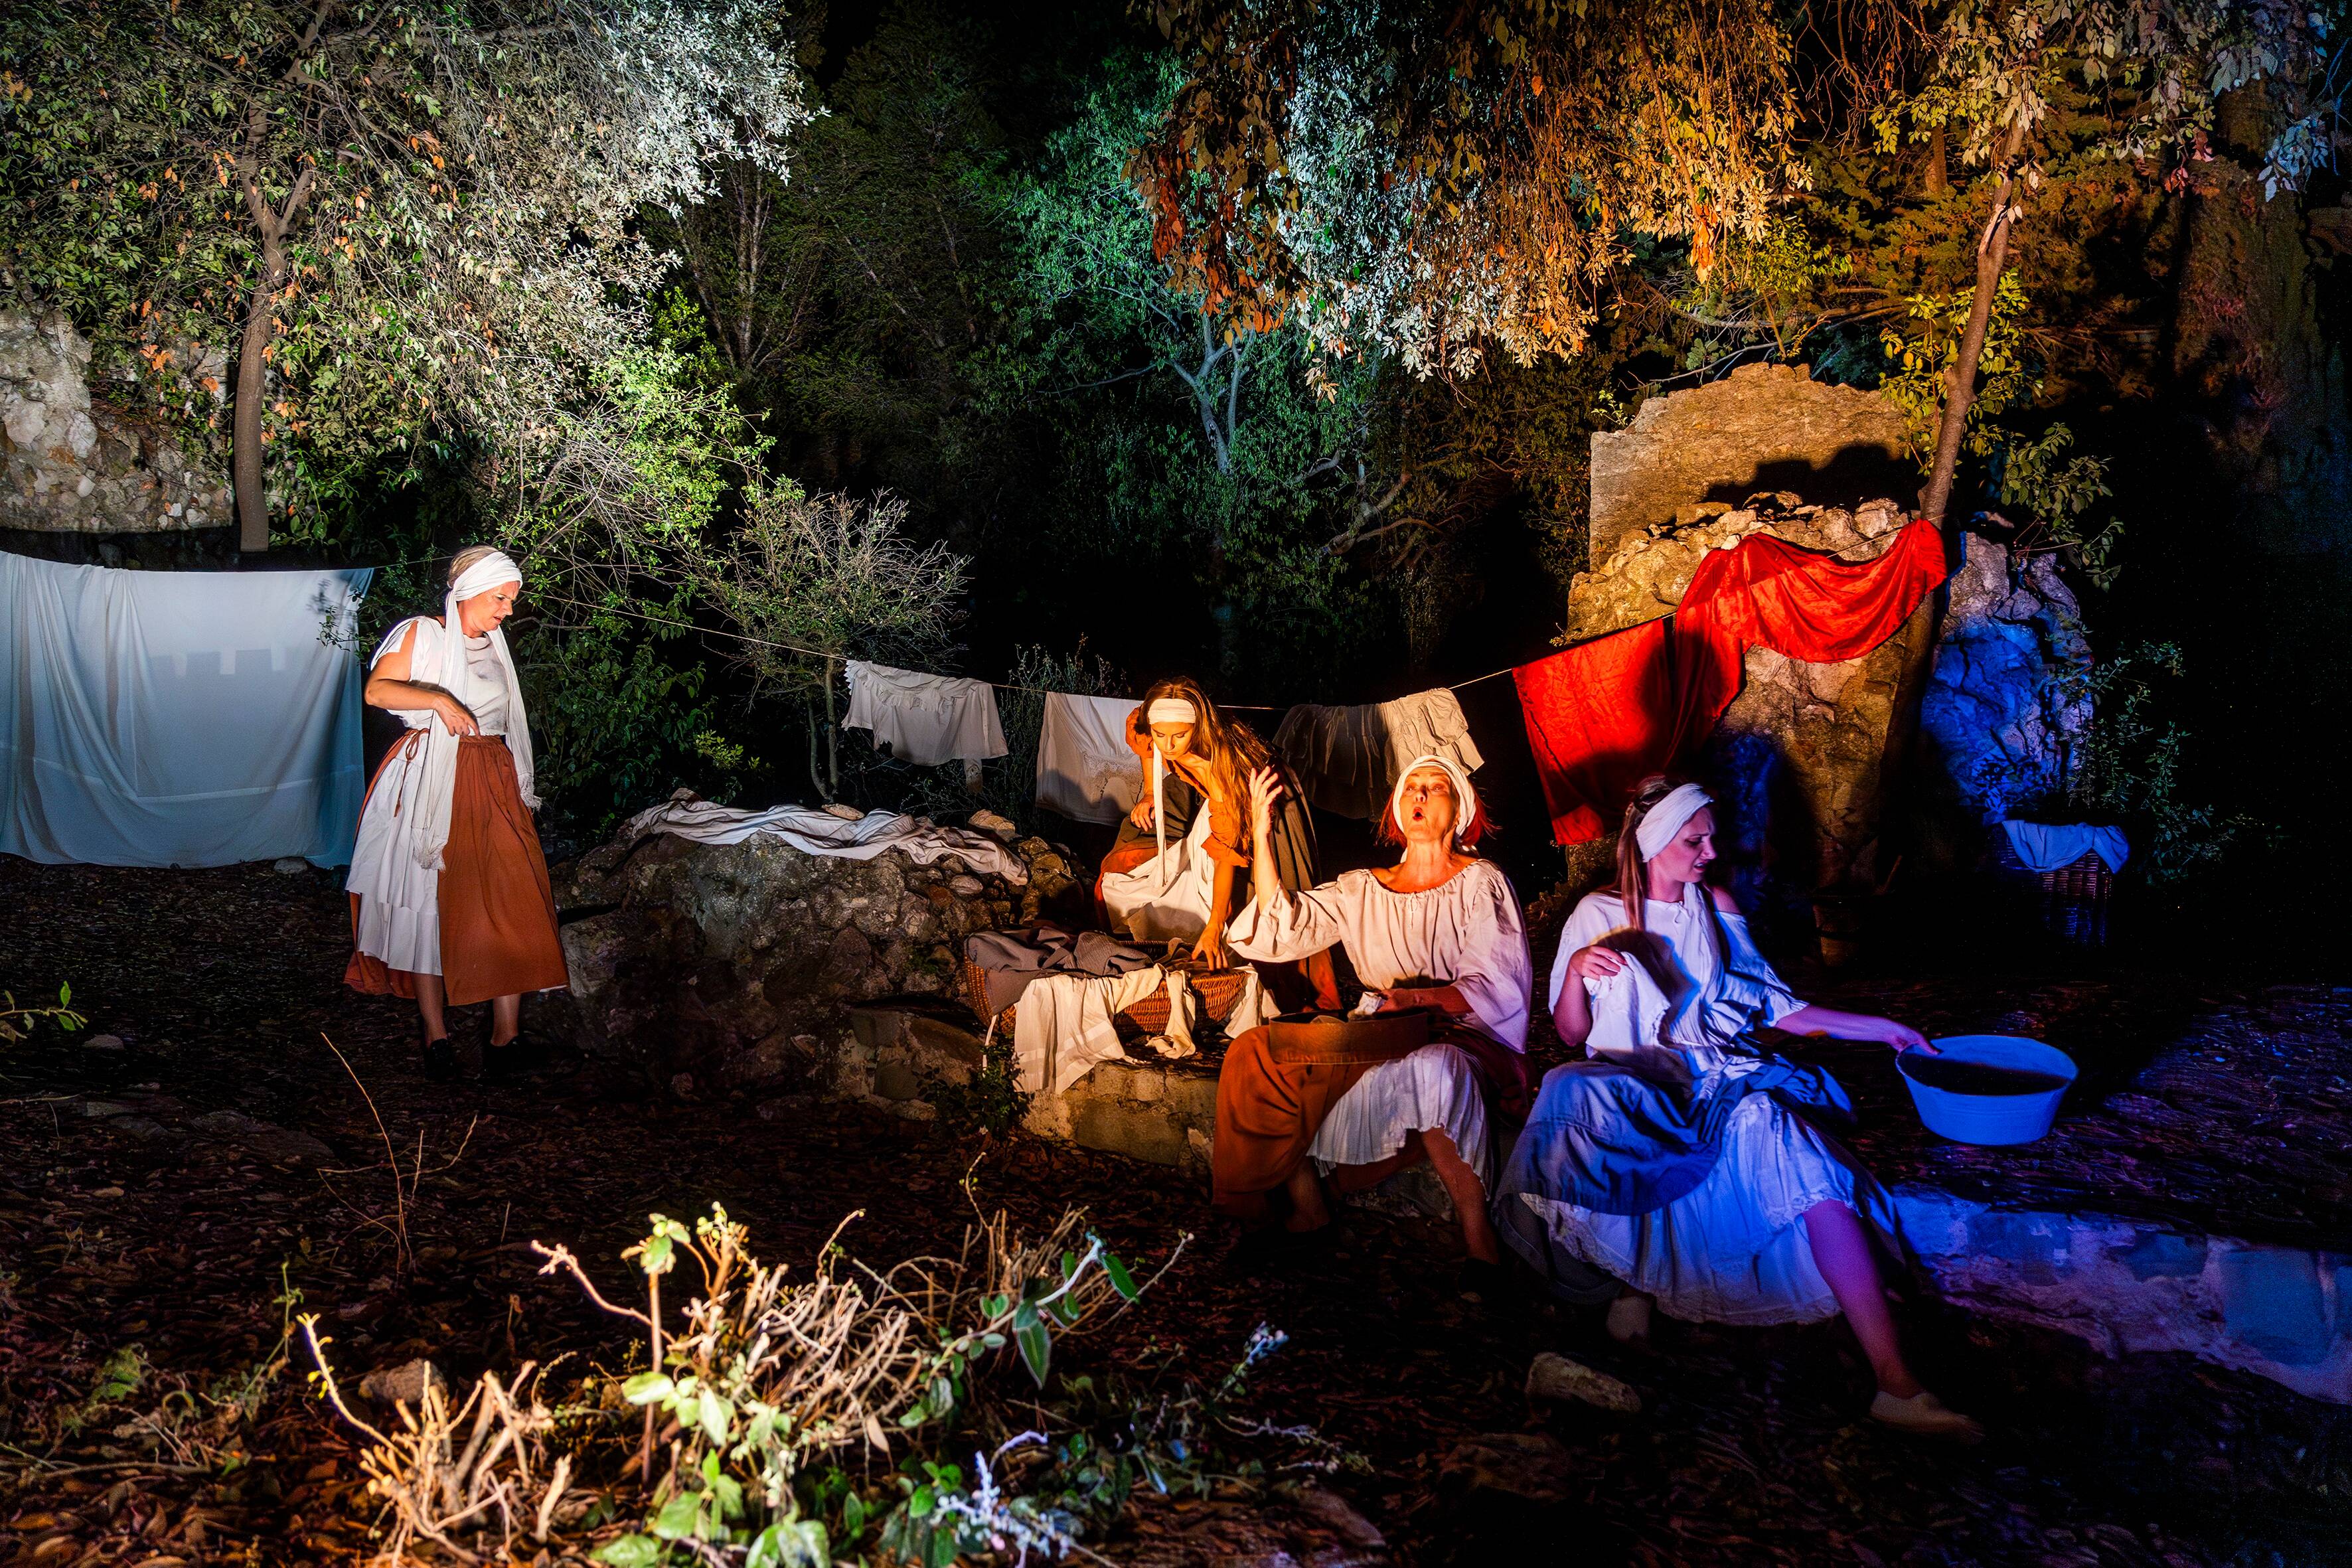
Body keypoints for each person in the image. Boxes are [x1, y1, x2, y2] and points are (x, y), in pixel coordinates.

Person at [1492, 776, 1981, 1439]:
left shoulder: (1712, 905)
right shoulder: (1597, 914)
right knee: (1569, 1092)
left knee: (1796, 1153)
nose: (1711, 851)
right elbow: (1573, 1032)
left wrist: (1881, 1027)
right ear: (1654, 844)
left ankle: (1895, 1384)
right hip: (1631, 1078)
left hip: (1714, 1077)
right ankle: (1619, 1291)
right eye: (1696, 839)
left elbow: (1774, 1002)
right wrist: (1578, 966)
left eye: (1711, 837)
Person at [1214, 754, 1531, 1283]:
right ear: (1395, 807)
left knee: (1434, 1067)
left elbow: (1496, 984)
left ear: (1458, 811)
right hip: (1379, 1031)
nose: (1420, 797)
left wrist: (1412, 1002)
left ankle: (1482, 1247)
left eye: (1435, 789)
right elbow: (1281, 928)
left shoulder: (1481, 883)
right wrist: (1263, 837)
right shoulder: (1362, 887)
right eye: (1411, 788)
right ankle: (1301, 1206)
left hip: (1456, 1033)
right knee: (1256, 1051)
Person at [345, 547, 568, 1080]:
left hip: (490, 773)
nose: (507, 611)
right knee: (428, 900)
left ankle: (505, 1038)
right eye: (500, 599)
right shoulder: (420, 633)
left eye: (511, 601)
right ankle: (436, 1034)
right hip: (431, 779)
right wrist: (439, 701)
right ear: (468, 592)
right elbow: (377, 690)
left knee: (515, 895)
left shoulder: (494, 645)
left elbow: (502, 715)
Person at [1097, 677, 1333, 1004]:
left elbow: (1227, 851)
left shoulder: (1218, 766)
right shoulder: (1152, 722)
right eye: (1160, 734)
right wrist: (1150, 793)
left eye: (1179, 735)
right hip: (1220, 796)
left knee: (1262, 887)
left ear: (1198, 727)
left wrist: (1214, 924)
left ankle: (1282, 977)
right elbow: (1144, 742)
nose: (1168, 745)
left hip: (1264, 791)